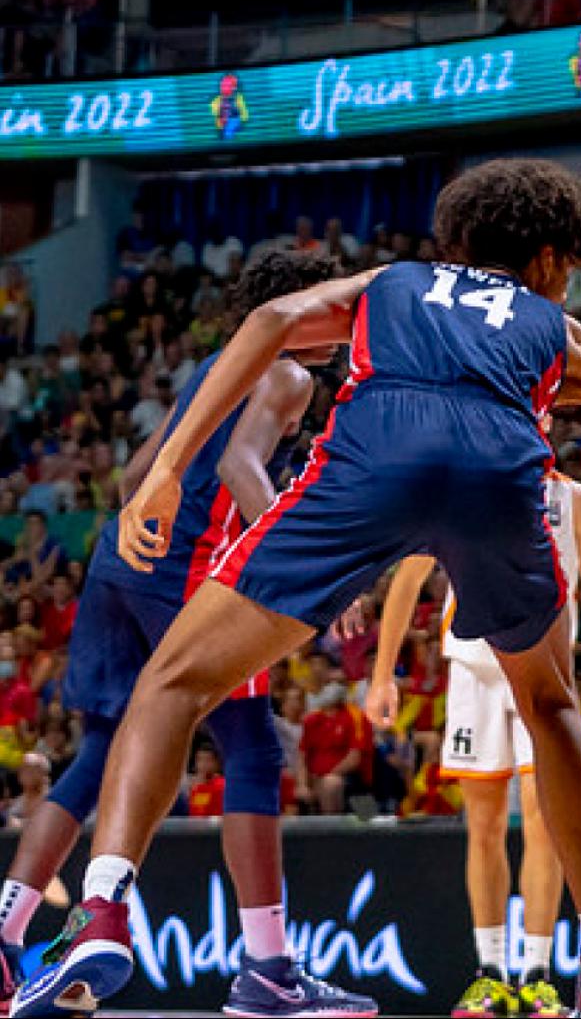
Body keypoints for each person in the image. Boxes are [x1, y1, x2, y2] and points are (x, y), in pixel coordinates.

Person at [15, 159, 581, 1019]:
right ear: (545, 258)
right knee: (552, 707)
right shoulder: (559, 332)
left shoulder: (392, 281)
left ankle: (103, 909)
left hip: (375, 458)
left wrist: (166, 467)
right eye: (568, 267)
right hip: (497, 476)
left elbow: (273, 318)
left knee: (173, 681)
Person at [0, 250, 377, 1018]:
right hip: (187, 578)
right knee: (252, 745)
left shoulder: (217, 364)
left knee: (106, 749)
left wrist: (137, 544)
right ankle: (269, 970)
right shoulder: (288, 372)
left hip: (121, 559)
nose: (344, 327)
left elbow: (139, 470)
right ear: (303, 308)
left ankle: (4, 931)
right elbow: (241, 462)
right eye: (333, 309)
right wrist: (303, 566)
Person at [367, 466, 581, 1019]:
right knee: (483, 827)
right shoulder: (462, 485)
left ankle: (535, 977)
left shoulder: (574, 498)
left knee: (544, 824)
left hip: (548, 674)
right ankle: (490, 975)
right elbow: (409, 577)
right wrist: (381, 674)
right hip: (475, 669)